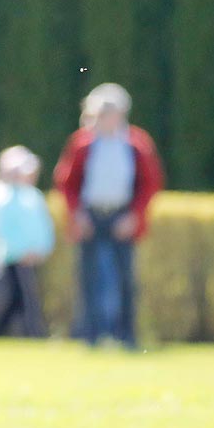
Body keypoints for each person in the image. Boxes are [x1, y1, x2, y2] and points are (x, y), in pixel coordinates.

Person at [54, 83, 164, 348]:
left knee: (126, 279)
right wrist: (77, 214)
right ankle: (90, 333)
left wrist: (134, 216)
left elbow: (151, 182)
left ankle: (127, 334)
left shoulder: (136, 142)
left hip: (122, 215)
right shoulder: (82, 142)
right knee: (88, 278)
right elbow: (67, 182)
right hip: (90, 215)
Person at [0, 146, 53, 338]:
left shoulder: (31, 195)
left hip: (26, 257)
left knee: (24, 298)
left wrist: (40, 250)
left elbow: (41, 227)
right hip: (0, 259)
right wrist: (17, 251)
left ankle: (25, 333)